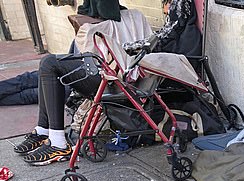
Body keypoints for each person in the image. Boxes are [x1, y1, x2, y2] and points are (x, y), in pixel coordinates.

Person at [13, 0, 200, 166]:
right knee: (47, 65)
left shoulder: (106, 24)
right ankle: (44, 130)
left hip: (118, 82)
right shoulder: (134, 18)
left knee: (48, 65)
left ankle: (57, 141)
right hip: (120, 77)